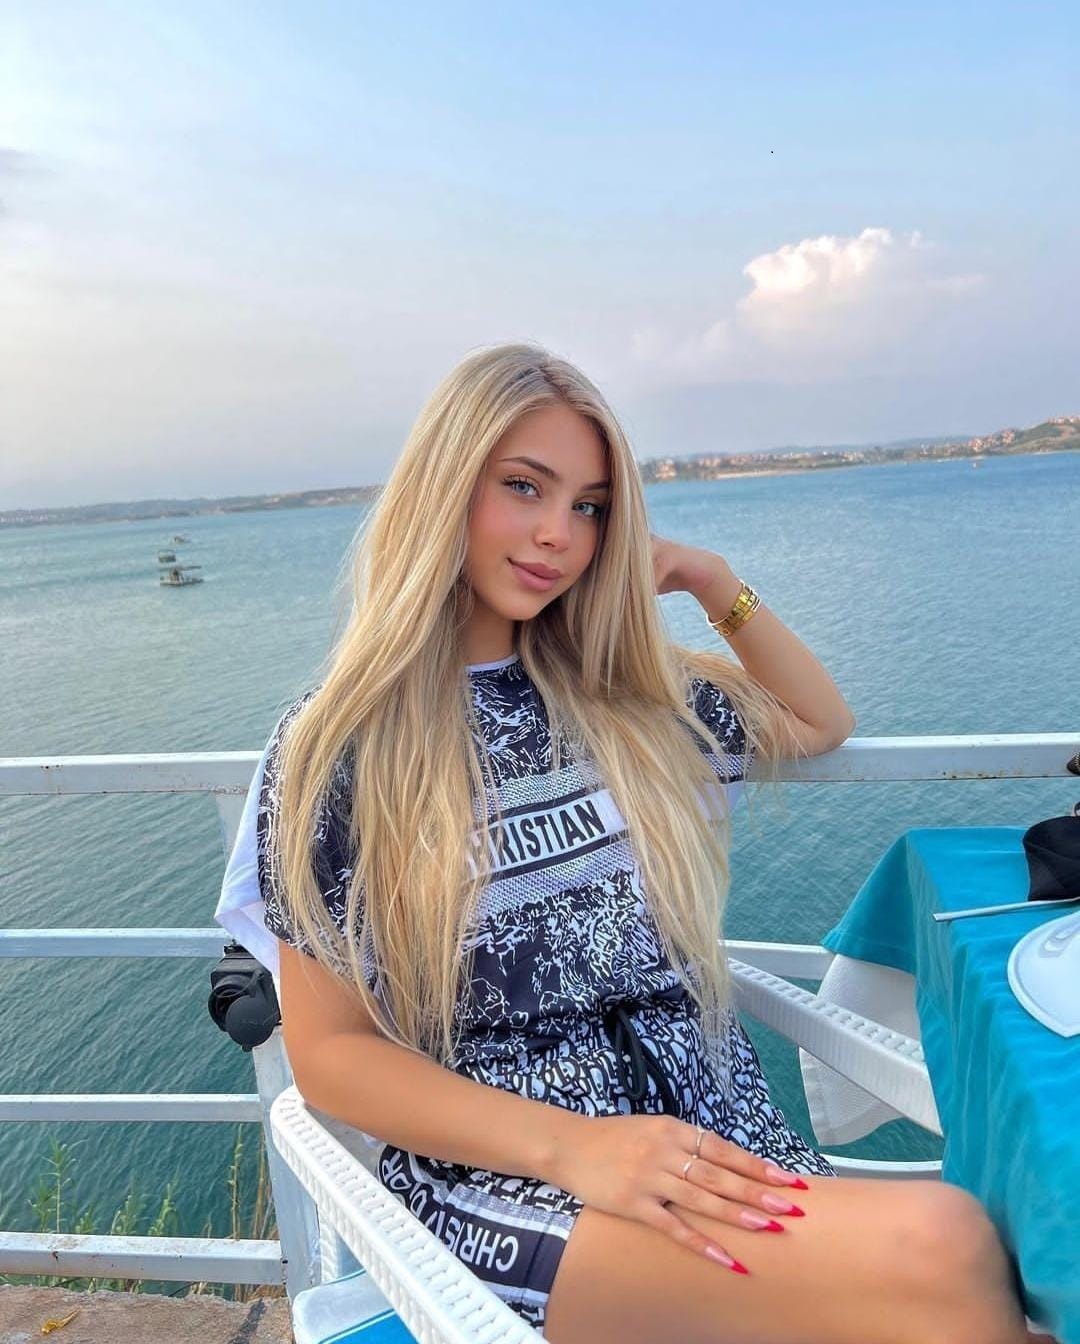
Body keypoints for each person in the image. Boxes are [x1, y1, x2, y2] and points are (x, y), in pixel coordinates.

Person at [218, 343, 1036, 1343]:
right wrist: (577, 1150)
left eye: (592, 506)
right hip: (520, 1181)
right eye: (525, 487)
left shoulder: (627, 698)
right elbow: (332, 1054)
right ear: (445, 485)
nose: (558, 535)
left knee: (968, 1267)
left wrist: (707, 577)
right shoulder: (344, 746)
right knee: (949, 1247)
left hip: (714, 1137)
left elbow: (819, 720)